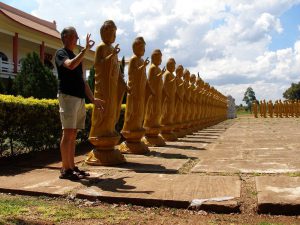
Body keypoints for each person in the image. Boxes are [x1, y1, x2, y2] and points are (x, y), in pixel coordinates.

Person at [55, 26, 104, 180]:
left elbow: (83, 81)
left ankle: (72, 166)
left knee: (73, 133)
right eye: (75, 36)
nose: (77, 39)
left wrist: (93, 99)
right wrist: (85, 50)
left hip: (78, 98)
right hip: (68, 96)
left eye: (77, 36)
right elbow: (70, 65)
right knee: (68, 132)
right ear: (66, 38)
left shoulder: (77, 56)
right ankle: (65, 169)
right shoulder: (61, 53)